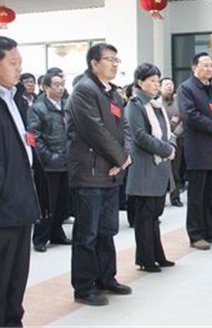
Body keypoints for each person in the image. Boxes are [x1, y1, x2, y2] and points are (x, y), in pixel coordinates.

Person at [0, 36, 41, 326]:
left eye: (20, 62)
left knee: (16, 278)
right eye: (12, 63)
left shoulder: (14, 97)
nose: (19, 69)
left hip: (20, 199)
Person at [67, 43, 132, 306]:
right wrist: (120, 158)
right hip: (90, 173)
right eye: (109, 59)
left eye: (117, 59)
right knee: (87, 233)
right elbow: (95, 131)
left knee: (107, 230)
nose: (115, 64)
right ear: (94, 63)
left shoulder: (112, 92)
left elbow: (124, 127)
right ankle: (84, 287)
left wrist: (125, 157)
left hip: (111, 172)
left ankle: (106, 278)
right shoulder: (84, 90)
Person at [177, 52, 212, 251]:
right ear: (194, 67)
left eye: (211, 65)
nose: (209, 69)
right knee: (197, 196)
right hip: (199, 150)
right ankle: (195, 234)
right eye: (205, 65)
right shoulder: (186, 88)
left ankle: (210, 230)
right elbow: (190, 115)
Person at [125, 63, 176, 272]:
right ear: (140, 82)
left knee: (155, 215)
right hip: (145, 168)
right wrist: (166, 149)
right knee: (145, 217)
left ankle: (157, 255)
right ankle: (145, 259)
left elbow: (168, 132)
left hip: (160, 165)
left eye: (158, 81)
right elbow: (139, 136)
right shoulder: (135, 104)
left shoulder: (156, 104)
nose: (156, 84)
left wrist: (171, 145)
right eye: (152, 81)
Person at [28, 71, 72, 252]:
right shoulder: (38, 108)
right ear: (45, 87)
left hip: (67, 161)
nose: (60, 88)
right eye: (56, 84)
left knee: (63, 202)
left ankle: (56, 233)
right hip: (48, 164)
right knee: (47, 203)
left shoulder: (67, 106)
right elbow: (34, 137)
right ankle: (40, 237)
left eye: (62, 84)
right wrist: (49, 156)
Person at [161, 76, 185, 208]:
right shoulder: (156, 102)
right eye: (166, 84)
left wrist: (175, 134)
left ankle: (175, 197)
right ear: (160, 87)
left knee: (175, 170)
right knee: (161, 170)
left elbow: (184, 120)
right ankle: (160, 197)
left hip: (177, 139)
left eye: (171, 84)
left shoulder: (179, 102)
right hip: (160, 140)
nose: (169, 86)